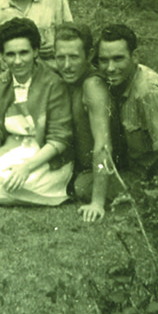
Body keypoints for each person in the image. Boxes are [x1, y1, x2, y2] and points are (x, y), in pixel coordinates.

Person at [0, 18, 72, 206]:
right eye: (10, 55)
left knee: (18, 183)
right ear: (2, 56)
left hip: (46, 158)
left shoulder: (53, 84)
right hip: (13, 151)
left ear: (35, 51)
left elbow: (59, 139)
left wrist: (25, 168)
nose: (18, 61)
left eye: (24, 53)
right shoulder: (1, 86)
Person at [96, 24, 158, 190]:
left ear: (135, 56)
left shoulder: (148, 91)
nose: (110, 68)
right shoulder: (118, 82)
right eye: (103, 60)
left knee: (85, 186)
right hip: (140, 168)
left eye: (118, 59)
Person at [54, 23, 113, 222]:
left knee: (81, 187)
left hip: (101, 170)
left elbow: (102, 145)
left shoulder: (93, 85)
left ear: (89, 56)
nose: (67, 65)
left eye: (74, 57)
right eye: (60, 57)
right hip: (78, 167)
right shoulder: (66, 79)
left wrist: (97, 201)